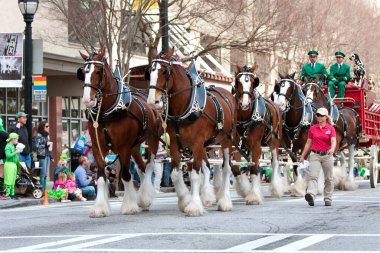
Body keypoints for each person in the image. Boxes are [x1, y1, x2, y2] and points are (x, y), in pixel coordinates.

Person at [300, 107, 336, 207]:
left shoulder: (330, 129)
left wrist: (332, 148)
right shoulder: (312, 128)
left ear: (326, 117)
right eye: (318, 115)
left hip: (327, 155)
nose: (319, 117)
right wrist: (303, 156)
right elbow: (308, 143)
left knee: (328, 178)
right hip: (315, 155)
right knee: (313, 177)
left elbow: (333, 141)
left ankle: (328, 198)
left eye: (321, 115)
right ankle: (311, 195)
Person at [34, 121, 54, 188]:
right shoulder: (38, 135)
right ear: (42, 127)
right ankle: (42, 189)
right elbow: (36, 146)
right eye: (46, 126)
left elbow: (48, 148)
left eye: (48, 126)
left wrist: (51, 156)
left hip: (47, 155)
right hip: (42, 156)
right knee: (42, 174)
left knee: (46, 174)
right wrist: (45, 144)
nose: (48, 128)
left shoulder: (47, 135)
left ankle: (44, 189)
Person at [2, 133, 21, 200]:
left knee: (12, 181)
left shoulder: (12, 146)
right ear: (13, 139)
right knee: (9, 180)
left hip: (13, 165)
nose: (17, 140)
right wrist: (16, 152)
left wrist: (17, 151)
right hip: (9, 164)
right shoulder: (8, 146)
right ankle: (7, 194)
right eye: (16, 139)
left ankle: (12, 194)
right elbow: (8, 156)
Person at [0, 117, 9, 198]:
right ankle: (1, 192)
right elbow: (8, 136)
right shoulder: (2, 132)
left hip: (2, 156)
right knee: (1, 174)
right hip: (1, 156)